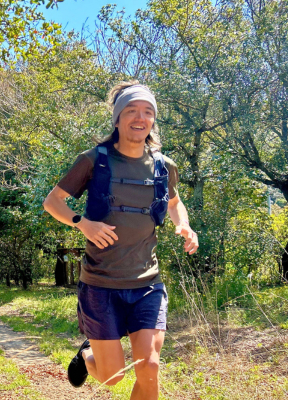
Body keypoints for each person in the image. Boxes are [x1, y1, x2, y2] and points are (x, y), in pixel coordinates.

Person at [42, 81, 198, 399]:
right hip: (101, 285)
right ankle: (88, 355)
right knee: (112, 376)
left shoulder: (163, 166)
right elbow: (52, 201)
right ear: (117, 119)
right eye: (131, 111)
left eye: (147, 112)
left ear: (153, 120)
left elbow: (174, 203)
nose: (140, 117)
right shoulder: (94, 160)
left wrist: (183, 225)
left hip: (147, 284)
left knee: (149, 368)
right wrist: (82, 223)